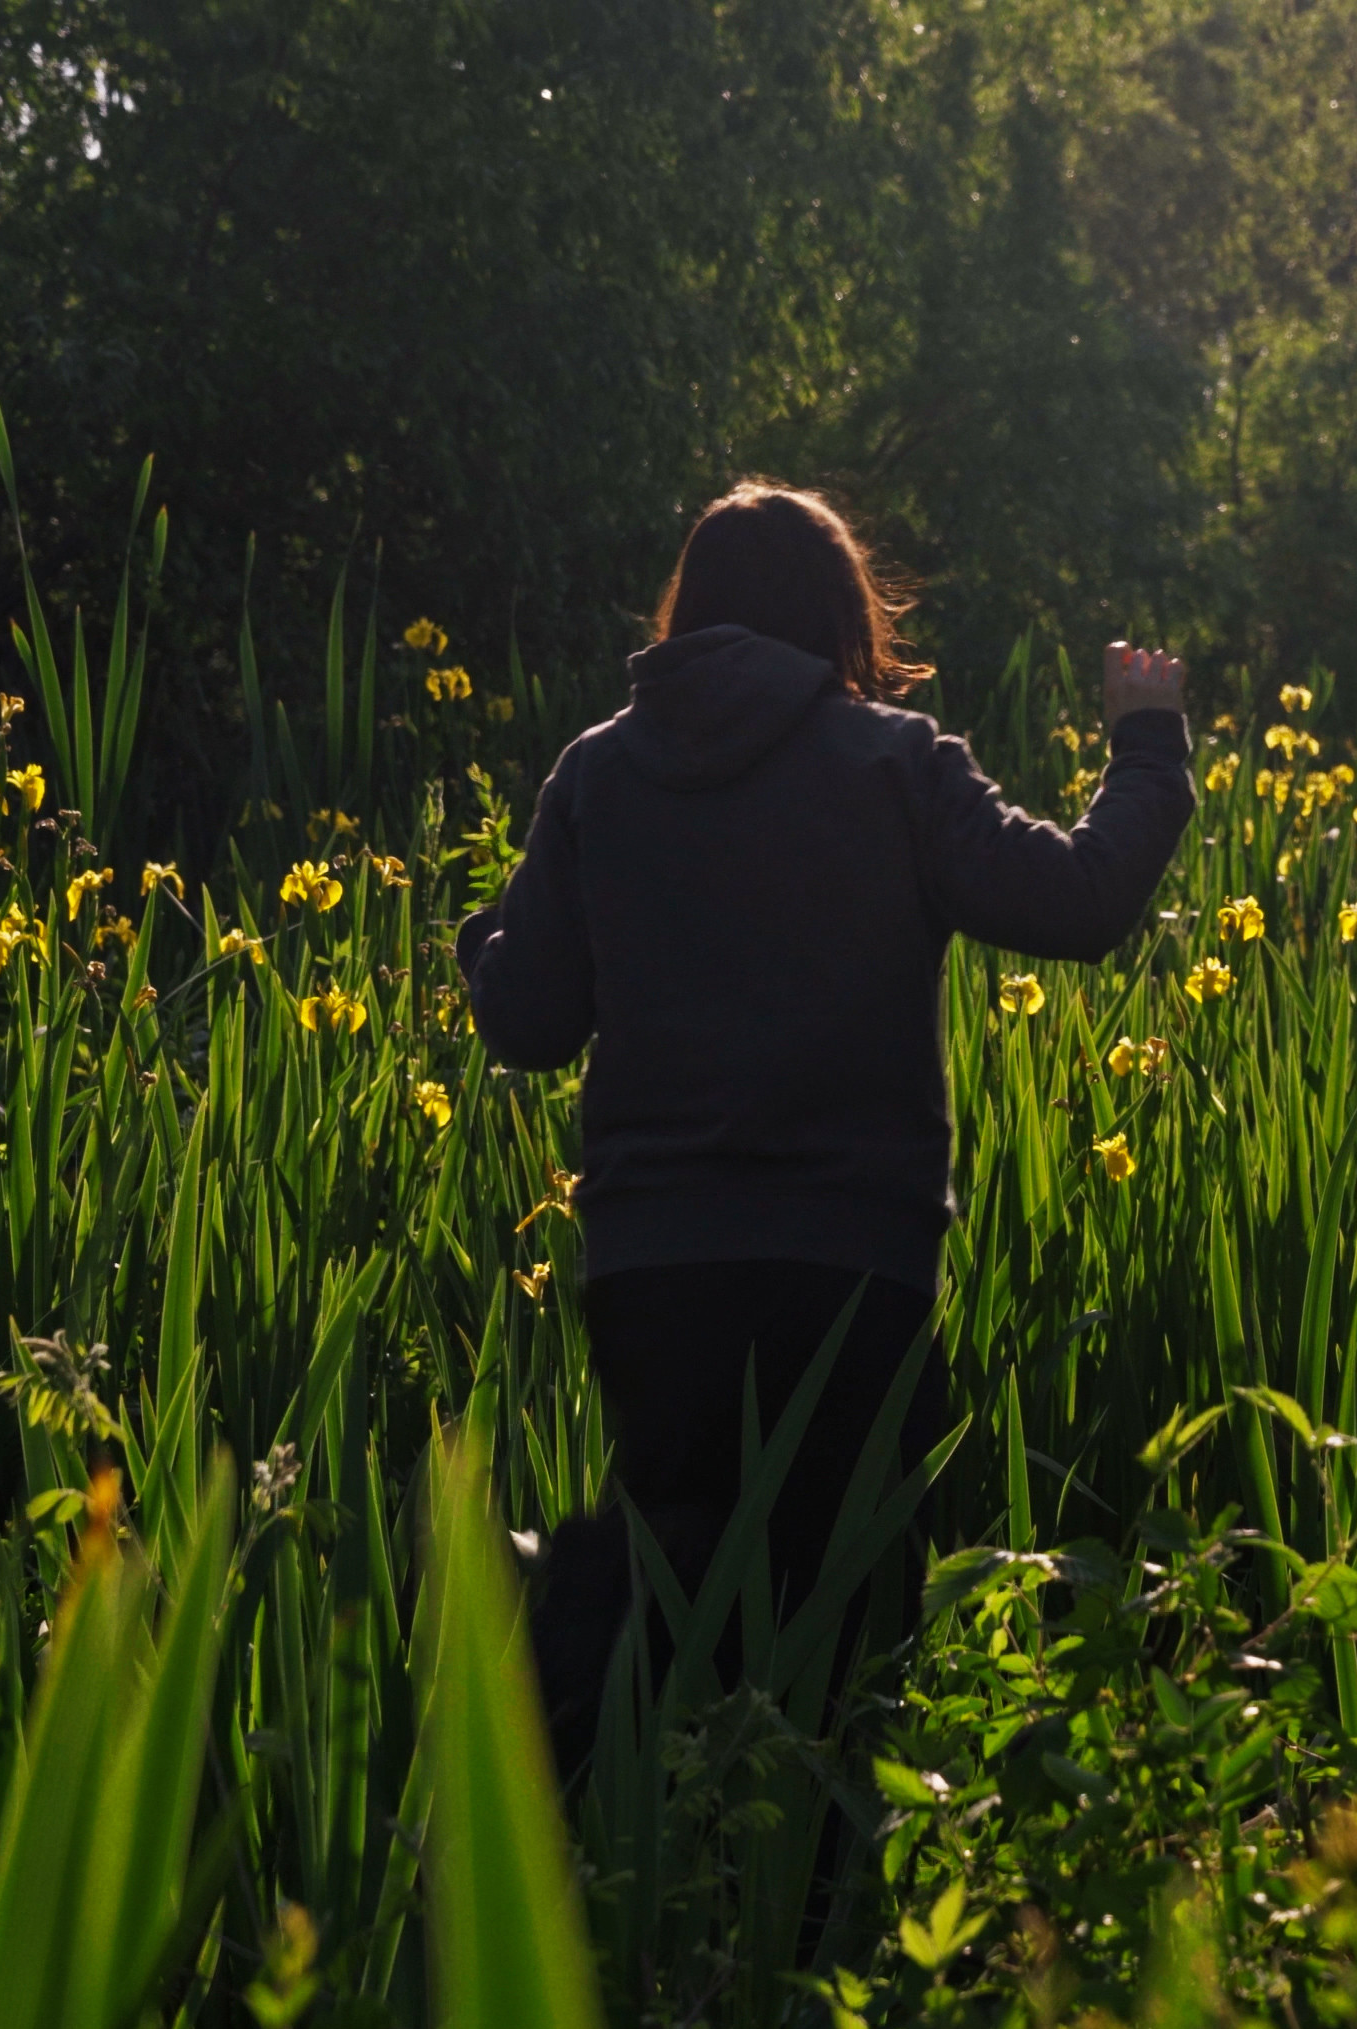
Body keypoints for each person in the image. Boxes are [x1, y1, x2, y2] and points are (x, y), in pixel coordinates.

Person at [458, 480, 1193, 1768]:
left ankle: (578, 1721)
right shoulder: (893, 765)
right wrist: (1147, 744)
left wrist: (482, 941)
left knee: (677, 1558)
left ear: (687, 614)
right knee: (843, 1612)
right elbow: (1080, 901)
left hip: (656, 1263)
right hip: (851, 1266)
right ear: (842, 620)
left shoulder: (599, 772)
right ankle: (810, 1912)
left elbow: (525, 1023)